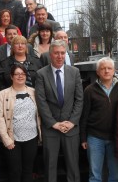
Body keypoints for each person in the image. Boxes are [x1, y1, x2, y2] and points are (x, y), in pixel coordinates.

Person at [35, 40, 83, 182]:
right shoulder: (41, 74)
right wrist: (53, 123)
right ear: (50, 54)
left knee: (73, 166)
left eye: (63, 53)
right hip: (51, 129)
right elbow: (41, 101)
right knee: (50, 167)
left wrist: (72, 122)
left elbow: (79, 100)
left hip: (71, 128)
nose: (60, 56)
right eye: (56, 53)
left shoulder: (74, 72)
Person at [80, 57, 118, 182]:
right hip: (95, 137)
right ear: (97, 72)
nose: (106, 71)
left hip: (115, 137)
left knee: (115, 176)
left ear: (114, 70)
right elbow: (84, 115)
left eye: (109, 68)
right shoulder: (89, 90)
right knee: (95, 175)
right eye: (103, 68)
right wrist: (83, 137)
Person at [0, 64, 41, 182]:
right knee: (15, 171)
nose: (20, 76)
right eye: (17, 74)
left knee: (28, 170)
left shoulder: (34, 92)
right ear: (11, 77)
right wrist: (6, 140)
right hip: (12, 140)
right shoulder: (2, 94)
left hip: (32, 138)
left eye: (23, 74)